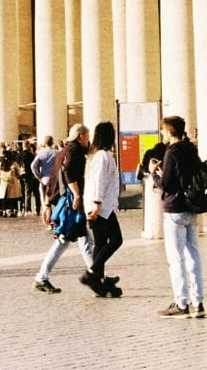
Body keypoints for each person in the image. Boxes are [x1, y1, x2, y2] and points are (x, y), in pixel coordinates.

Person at [152, 114, 206, 318]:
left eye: (163, 131)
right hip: (191, 207)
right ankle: (198, 302)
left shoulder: (172, 152)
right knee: (193, 255)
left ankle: (181, 302)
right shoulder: (191, 149)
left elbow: (166, 184)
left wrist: (153, 174)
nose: (162, 134)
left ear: (169, 131)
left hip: (174, 209)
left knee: (175, 258)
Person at [32, 123, 96, 294]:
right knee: (75, 241)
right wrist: (76, 194)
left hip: (66, 202)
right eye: (87, 137)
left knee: (80, 241)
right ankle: (42, 277)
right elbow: (67, 172)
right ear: (81, 136)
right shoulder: (73, 151)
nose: (88, 140)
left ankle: (95, 276)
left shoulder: (63, 151)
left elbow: (53, 179)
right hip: (72, 204)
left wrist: (47, 203)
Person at [84, 121, 123, 296]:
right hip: (101, 207)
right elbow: (98, 181)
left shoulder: (99, 155)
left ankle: (98, 281)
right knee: (116, 239)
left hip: (100, 205)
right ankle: (92, 273)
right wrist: (98, 203)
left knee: (100, 242)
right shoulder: (102, 156)